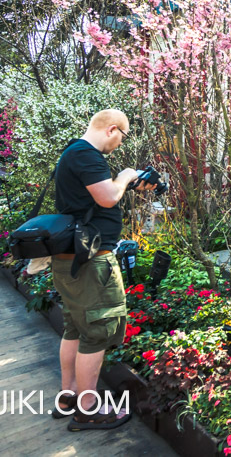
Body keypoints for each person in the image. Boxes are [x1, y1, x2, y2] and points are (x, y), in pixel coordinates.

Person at [50, 109, 152, 430]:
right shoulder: (87, 155)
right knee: (97, 331)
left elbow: (91, 199)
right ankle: (88, 408)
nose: (120, 144)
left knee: (75, 327)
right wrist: (123, 176)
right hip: (92, 260)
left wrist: (128, 185)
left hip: (70, 257)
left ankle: (69, 397)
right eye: (122, 137)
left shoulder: (73, 152)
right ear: (112, 130)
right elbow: (107, 197)